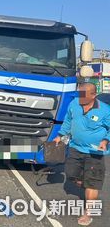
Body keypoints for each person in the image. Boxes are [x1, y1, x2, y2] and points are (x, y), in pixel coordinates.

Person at [53, 82, 110, 226]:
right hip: (75, 148)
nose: (80, 97)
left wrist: (105, 140)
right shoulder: (74, 104)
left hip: (94, 152)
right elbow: (68, 121)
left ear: (94, 95)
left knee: (92, 182)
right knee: (71, 174)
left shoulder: (105, 110)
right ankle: (85, 184)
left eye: (84, 94)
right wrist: (60, 136)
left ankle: (88, 213)